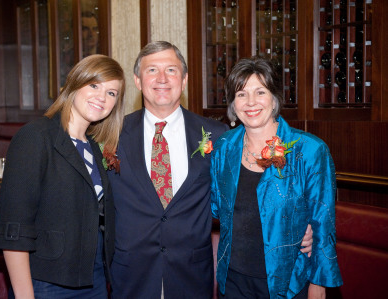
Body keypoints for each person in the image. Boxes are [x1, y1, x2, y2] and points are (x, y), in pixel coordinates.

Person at [107, 42, 311, 298]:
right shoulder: (110, 135)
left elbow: (245, 196)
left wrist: (301, 224)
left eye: (171, 70)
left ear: (184, 80)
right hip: (131, 278)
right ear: (137, 80)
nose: (162, 78)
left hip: (191, 277)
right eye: (152, 70)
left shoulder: (218, 137)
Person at [0, 54, 125, 298]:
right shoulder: (36, 136)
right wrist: (25, 295)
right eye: (94, 85)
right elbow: (14, 229)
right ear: (74, 84)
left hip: (94, 280)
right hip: (46, 284)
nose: (101, 97)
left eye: (111, 93)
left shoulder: (95, 147)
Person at [210, 56, 343, 298]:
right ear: (233, 103)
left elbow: (323, 225)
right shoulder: (224, 148)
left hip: (291, 282)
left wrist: (319, 285)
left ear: (274, 99)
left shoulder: (310, 151)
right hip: (234, 281)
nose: (250, 102)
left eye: (260, 92)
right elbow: (214, 208)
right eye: (241, 94)